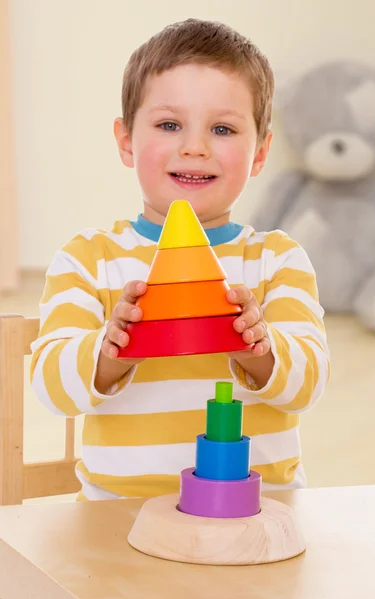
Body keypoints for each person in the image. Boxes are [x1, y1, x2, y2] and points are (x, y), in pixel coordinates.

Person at [30, 18, 330, 501]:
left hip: (257, 512)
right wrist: (112, 347)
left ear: (260, 153)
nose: (195, 147)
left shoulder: (278, 260)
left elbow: (307, 386)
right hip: (118, 517)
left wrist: (259, 346)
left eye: (223, 128)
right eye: (169, 125)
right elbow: (52, 390)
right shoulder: (88, 259)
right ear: (127, 140)